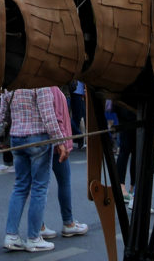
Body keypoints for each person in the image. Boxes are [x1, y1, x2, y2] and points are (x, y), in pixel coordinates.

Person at [0, 87, 67, 252]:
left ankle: (11, 235)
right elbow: (48, 114)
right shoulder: (39, 81)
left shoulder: (11, 81)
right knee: (39, 187)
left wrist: (1, 133)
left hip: (16, 136)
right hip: (38, 136)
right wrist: (59, 141)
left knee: (20, 186)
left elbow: (2, 113)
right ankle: (34, 237)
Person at [39, 86, 88, 240]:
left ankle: (39, 224)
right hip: (56, 144)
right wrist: (63, 144)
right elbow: (57, 119)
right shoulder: (53, 91)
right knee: (62, 182)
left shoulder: (40, 89)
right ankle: (68, 222)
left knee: (40, 186)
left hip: (42, 143)